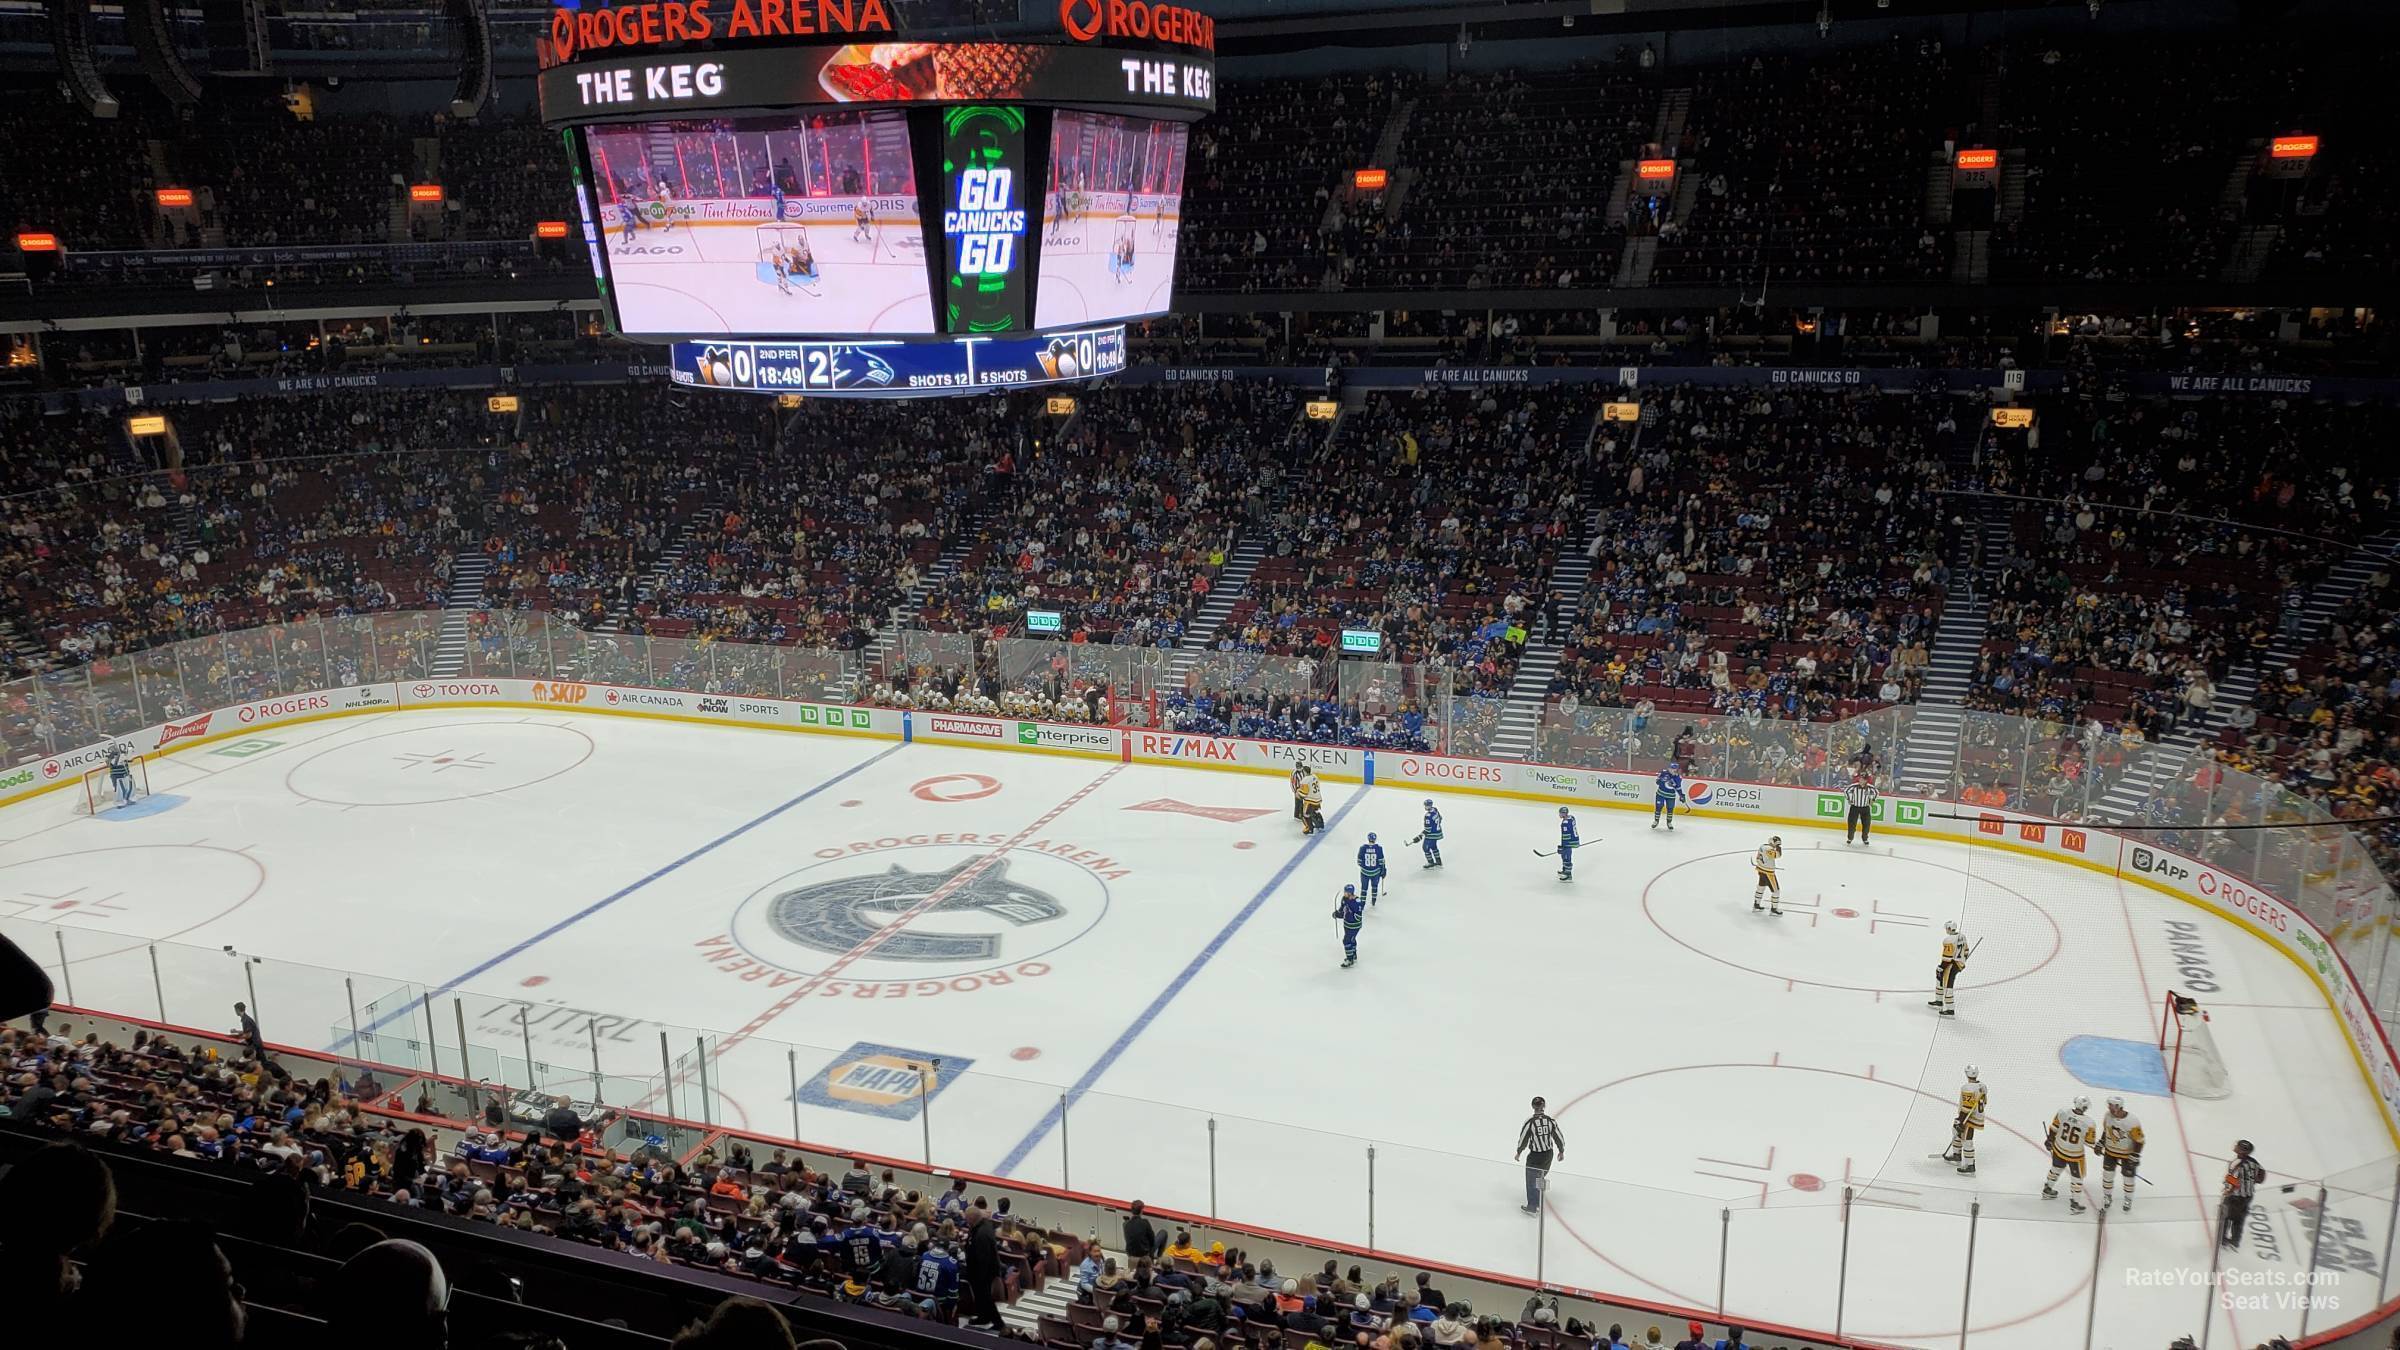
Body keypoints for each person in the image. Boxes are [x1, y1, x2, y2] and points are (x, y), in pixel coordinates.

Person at [2042, 1097, 2095, 1214]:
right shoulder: (2089, 1123)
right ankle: (2075, 1204)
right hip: (2075, 1155)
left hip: (2059, 1149)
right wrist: (2098, 1147)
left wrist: (2050, 1140)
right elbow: (2090, 1142)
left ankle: (2047, 1190)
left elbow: (2054, 1128)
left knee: (2055, 1169)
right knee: (2077, 1179)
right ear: (2085, 1108)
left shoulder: (2063, 1112)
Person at [1514, 1096, 1565, 1214]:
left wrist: (1519, 1151)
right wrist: (1561, 1151)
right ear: (1544, 1106)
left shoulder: (1530, 1122)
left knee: (1531, 1178)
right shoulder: (1550, 1121)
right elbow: (1559, 1137)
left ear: (1533, 1107)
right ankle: (1538, 1198)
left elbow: (1523, 1139)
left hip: (1535, 1156)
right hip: (1548, 1155)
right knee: (1540, 1176)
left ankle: (1533, 1206)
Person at [2098, 1096, 2144, 1213]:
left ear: (2119, 1106)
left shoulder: (2132, 1121)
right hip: (2110, 1152)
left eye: (2112, 1106)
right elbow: (2106, 1130)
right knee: (2107, 1175)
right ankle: (2107, 1197)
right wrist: (2101, 1143)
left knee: (2128, 1179)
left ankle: (2128, 1199)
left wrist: (2135, 1155)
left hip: (2127, 1154)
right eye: (2109, 1105)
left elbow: (2139, 1140)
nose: (2110, 1108)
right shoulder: (2107, 1116)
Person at [1943, 1065, 1985, 1176]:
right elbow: (1984, 1102)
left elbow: (1967, 1107)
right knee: (1956, 1131)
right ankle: (1956, 1155)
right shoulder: (1982, 1086)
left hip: (1970, 1118)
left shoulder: (1967, 1088)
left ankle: (1970, 1166)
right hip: (1976, 1115)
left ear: (1966, 1074)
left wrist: (1960, 1121)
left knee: (1967, 1139)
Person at [2221, 1140, 2264, 1247]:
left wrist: (2228, 1191)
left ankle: (2222, 1239)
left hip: (2235, 1196)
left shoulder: (2236, 1163)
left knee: (2225, 1217)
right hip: (2248, 1196)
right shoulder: (2254, 1162)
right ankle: (2235, 1241)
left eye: (2237, 1146)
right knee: (2239, 1219)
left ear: (2241, 1150)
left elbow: (2233, 1181)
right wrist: (2252, 1181)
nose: (2235, 1146)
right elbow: (2261, 1176)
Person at [1929, 921, 1967, 1017]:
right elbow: (1966, 950)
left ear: (1949, 929)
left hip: (1951, 965)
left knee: (1947, 985)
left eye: (1946, 928)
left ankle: (1950, 1010)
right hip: (1958, 963)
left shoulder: (1948, 940)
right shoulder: (1962, 936)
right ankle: (1939, 1000)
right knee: (1939, 979)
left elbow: (1947, 958)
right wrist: (1962, 960)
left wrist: (1941, 967)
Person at [1333, 885, 1365, 969]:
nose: (1344, 893)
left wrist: (1339, 914)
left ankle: (1350, 959)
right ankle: (1353, 954)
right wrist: (1337, 912)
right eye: (1344, 892)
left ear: (1350, 893)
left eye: (1346, 892)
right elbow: (1342, 909)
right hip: (1347, 924)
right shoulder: (1344, 899)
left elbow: (1347, 913)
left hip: (1354, 925)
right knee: (1352, 939)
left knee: (1346, 941)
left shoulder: (1356, 902)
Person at [1750, 837, 1782, 915]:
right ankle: (1774, 910)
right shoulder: (1768, 848)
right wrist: (1778, 847)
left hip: (1761, 870)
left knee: (1761, 887)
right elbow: (1777, 855)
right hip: (1768, 873)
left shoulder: (1763, 846)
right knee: (1776, 891)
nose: (1776, 845)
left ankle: (1756, 905)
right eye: (1776, 843)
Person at [1843, 772, 1876, 844]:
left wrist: (1872, 800)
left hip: (1865, 808)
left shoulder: (1870, 787)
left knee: (1866, 824)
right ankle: (1850, 838)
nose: (1861, 780)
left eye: (1863, 779)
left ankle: (1865, 838)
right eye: (1860, 778)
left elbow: (1876, 792)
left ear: (1866, 780)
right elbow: (1846, 791)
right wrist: (1849, 799)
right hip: (1855, 807)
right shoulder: (1854, 786)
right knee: (1851, 823)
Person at [1357, 832, 1387, 906]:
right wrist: (1383, 871)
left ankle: (1362, 903)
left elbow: (1359, 862)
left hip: (1364, 872)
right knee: (1374, 887)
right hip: (1375, 872)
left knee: (1364, 888)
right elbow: (1381, 862)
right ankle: (1373, 900)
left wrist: (1365, 867)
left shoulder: (1362, 848)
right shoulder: (1379, 848)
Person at [1652, 762, 1683, 830]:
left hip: (1671, 796)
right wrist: (1663, 779)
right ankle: (1656, 821)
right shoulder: (1663, 772)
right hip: (1661, 794)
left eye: (1674, 769)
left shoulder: (1678, 777)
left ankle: (1669, 822)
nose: (1672, 770)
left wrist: (1682, 795)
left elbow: (1678, 787)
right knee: (1659, 807)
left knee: (1670, 808)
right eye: (1671, 768)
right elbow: (1657, 782)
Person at [1415, 800, 1444, 867]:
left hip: (1432, 835)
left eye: (1426, 805)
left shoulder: (1428, 816)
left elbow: (1428, 830)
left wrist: (1419, 836)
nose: (1425, 807)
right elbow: (1441, 818)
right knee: (1434, 847)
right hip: (1438, 833)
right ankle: (1438, 861)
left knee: (1425, 848)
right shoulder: (1435, 809)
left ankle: (1430, 862)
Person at [1555, 808, 1580, 882]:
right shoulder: (1571, 817)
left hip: (1569, 842)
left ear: (1563, 814)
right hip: (1574, 839)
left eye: (1560, 813)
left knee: (1566, 856)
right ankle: (1565, 871)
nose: (1559, 814)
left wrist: (1562, 847)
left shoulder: (1565, 823)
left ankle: (1568, 875)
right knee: (1566, 855)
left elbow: (1566, 836)